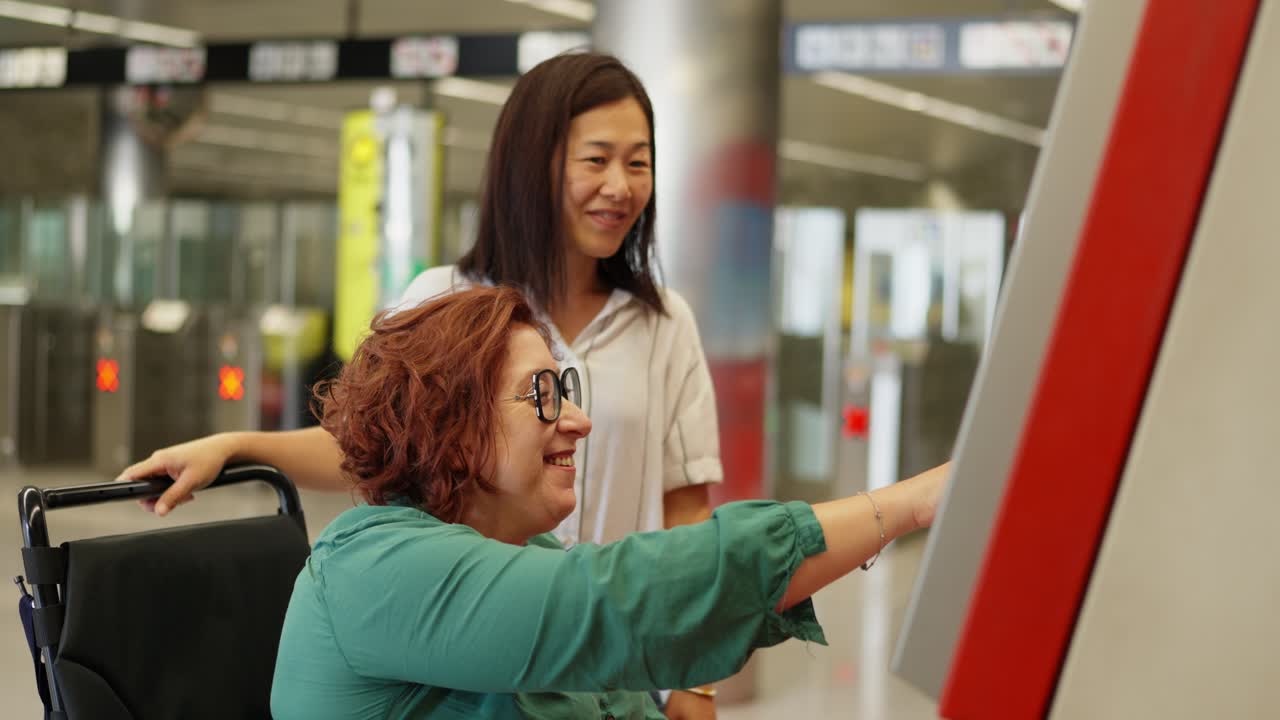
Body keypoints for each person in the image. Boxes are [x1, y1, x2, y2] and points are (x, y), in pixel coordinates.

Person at [120, 52, 728, 716]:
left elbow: (687, 519)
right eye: (596, 159)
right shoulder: (445, 299)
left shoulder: (664, 325)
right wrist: (238, 446)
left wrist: (695, 680)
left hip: (608, 668)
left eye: (638, 163)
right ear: (532, 164)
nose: (620, 186)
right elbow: (373, 446)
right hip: (474, 664)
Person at [269, 286, 948, 720]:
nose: (577, 420)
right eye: (541, 395)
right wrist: (905, 507)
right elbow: (623, 603)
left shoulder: (518, 546)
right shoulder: (376, 568)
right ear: (451, 427)